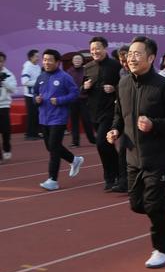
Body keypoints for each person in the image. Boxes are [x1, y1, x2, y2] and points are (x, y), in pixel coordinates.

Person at [108, 36, 165, 268]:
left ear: (151, 58)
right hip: (132, 155)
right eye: (130, 54)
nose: (131, 58)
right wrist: (115, 129)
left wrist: (154, 124)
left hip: (159, 155)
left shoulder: (163, 86)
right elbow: (120, 115)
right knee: (136, 204)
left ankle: (162, 250)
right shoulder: (123, 84)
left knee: (152, 204)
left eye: (137, 54)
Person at [34, 49, 84, 191]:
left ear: (57, 62)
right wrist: (36, 100)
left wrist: (60, 100)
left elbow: (75, 93)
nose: (46, 62)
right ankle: (74, 160)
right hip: (44, 117)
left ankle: (53, 180)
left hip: (58, 117)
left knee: (54, 148)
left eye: (50, 60)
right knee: (50, 147)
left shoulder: (64, 77)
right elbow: (35, 93)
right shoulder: (41, 77)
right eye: (44, 60)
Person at [82, 37, 122, 191]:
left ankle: (110, 176)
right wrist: (85, 87)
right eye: (92, 49)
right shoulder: (88, 67)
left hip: (110, 111)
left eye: (97, 48)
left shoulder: (115, 66)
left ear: (105, 48)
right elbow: (82, 89)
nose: (94, 51)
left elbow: (125, 85)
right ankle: (118, 173)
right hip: (94, 112)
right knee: (107, 146)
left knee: (101, 143)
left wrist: (114, 89)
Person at [66, 54, 95, 148]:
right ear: (72, 61)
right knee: (74, 121)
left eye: (79, 59)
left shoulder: (86, 70)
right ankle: (75, 141)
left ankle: (92, 139)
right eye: (75, 59)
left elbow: (91, 83)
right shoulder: (69, 72)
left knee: (87, 120)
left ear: (82, 61)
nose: (77, 61)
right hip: (73, 100)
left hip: (84, 99)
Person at [21, 49, 42, 140]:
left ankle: (35, 133)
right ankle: (29, 134)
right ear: (31, 57)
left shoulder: (37, 67)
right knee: (31, 115)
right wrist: (37, 82)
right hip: (29, 95)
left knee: (36, 114)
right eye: (36, 56)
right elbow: (24, 82)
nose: (38, 58)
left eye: (38, 56)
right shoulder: (27, 68)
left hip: (37, 94)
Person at [0, 52, 17, 162]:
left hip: (4, 106)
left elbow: (14, 89)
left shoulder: (8, 74)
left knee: (6, 131)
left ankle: (7, 148)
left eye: (1, 61)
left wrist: (4, 82)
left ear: (4, 61)